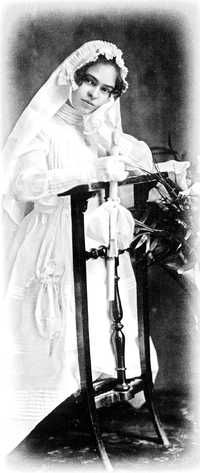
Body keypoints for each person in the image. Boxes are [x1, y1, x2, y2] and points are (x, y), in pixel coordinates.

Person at [1, 40, 158, 455]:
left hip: (93, 241)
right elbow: (24, 185)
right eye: (88, 82)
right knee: (56, 323)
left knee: (107, 309)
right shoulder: (46, 128)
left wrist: (126, 156)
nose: (94, 94)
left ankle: (113, 381)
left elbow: (130, 164)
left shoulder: (99, 131)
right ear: (71, 79)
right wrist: (87, 169)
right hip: (53, 238)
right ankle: (57, 399)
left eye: (105, 89)